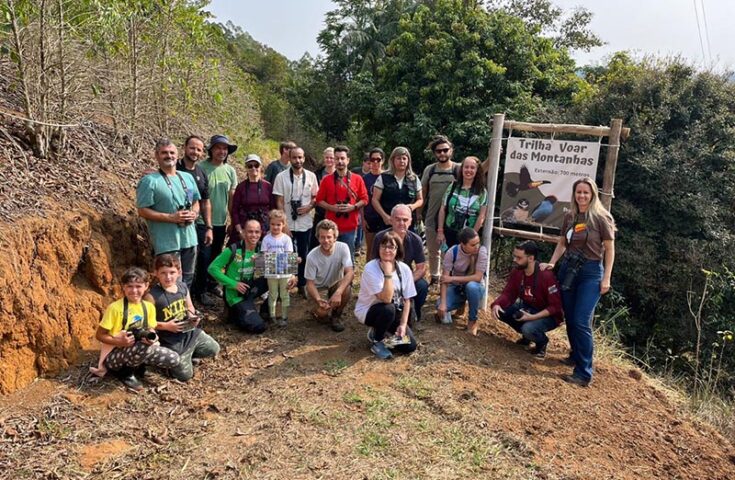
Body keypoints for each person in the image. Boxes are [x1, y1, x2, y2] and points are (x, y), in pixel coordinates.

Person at [540, 177, 616, 387]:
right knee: (571, 317)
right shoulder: (570, 216)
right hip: (569, 269)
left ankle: (584, 372)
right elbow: (562, 242)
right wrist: (553, 263)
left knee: (582, 320)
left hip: (590, 272)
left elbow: (609, 249)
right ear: (574, 194)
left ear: (593, 194)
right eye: (578, 192)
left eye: (586, 192)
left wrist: (606, 277)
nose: (582, 196)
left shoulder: (602, 218)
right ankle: (575, 354)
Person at [92, 267, 180, 390]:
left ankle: (138, 365)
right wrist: (119, 342)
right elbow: (99, 335)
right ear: (123, 287)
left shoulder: (148, 307)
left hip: (139, 349)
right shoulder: (115, 308)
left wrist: (152, 338)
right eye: (130, 286)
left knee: (174, 359)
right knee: (142, 347)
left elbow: (151, 328)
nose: (134, 291)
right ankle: (126, 373)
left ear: (146, 286)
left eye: (138, 286)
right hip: (115, 355)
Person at [136, 138, 200, 288]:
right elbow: (142, 210)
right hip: (167, 242)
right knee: (171, 281)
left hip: (190, 239)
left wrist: (194, 214)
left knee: (188, 278)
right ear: (157, 155)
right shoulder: (149, 181)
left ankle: (186, 309)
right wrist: (171, 218)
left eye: (172, 153)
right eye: (164, 153)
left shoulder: (187, 178)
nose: (169, 156)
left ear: (177, 155)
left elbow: (196, 201)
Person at [145, 255, 220, 381]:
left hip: (189, 333)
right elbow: (147, 323)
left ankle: (189, 355)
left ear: (179, 272)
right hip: (171, 341)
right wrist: (166, 326)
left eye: (172, 272)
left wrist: (193, 317)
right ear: (156, 273)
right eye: (163, 273)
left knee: (214, 349)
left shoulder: (182, 287)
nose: (168, 277)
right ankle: (167, 364)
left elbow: (189, 306)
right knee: (185, 376)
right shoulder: (152, 296)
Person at [491, 241, 563, 358]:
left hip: (548, 315)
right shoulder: (517, 272)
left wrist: (533, 317)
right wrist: (497, 304)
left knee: (528, 328)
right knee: (501, 311)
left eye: (519, 257)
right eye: (514, 256)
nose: (515, 260)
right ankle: (527, 336)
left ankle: (541, 342)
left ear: (531, 258)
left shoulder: (546, 275)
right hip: (528, 308)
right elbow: (509, 293)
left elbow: (555, 307)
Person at [355, 231, 418, 360]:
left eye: (391, 247)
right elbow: (386, 298)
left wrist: (402, 324)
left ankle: (386, 340)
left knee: (410, 345)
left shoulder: (404, 269)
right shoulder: (371, 268)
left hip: (395, 312)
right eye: (383, 246)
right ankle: (377, 340)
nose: (387, 250)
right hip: (371, 311)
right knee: (388, 308)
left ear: (397, 250)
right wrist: (388, 273)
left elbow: (407, 299)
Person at [208, 219, 278, 334]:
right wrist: (233, 284)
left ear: (261, 233)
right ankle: (236, 313)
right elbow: (212, 268)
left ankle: (265, 311)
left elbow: (280, 265)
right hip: (236, 294)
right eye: (250, 232)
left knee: (282, 283)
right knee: (259, 327)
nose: (254, 235)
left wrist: (292, 276)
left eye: (257, 232)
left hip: (251, 288)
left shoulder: (262, 248)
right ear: (244, 232)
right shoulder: (233, 249)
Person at [193, 135, 238, 304]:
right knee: (203, 256)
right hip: (203, 222)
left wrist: (233, 220)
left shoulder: (230, 171)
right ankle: (200, 290)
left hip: (221, 221)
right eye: (218, 148)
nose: (222, 151)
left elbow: (231, 197)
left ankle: (212, 284)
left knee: (216, 255)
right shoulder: (201, 168)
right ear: (211, 150)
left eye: (225, 149)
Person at [370, 204, 428, 321]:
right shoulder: (380, 237)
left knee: (422, 285)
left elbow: (421, 268)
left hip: (407, 277)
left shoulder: (415, 239)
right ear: (391, 220)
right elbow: (374, 265)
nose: (401, 223)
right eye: (398, 219)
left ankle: (415, 311)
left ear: (410, 221)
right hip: (384, 276)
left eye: (405, 220)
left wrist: (406, 282)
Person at [273, 146, 318, 295]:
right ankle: (286, 285)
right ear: (290, 158)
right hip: (288, 224)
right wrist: (283, 223)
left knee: (304, 255)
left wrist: (309, 208)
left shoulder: (311, 176)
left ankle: (303, 284)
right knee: (287, 255)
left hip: (305, 222)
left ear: (304, 158)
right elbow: (279, 201)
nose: (297, 160)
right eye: (294, 157)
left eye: (300, 157)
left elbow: (315, 197)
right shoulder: (281, 177)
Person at [315, 145, 368, 261]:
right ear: (334, 160)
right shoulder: (326, 180)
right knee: (330, 259)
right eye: (337, 158)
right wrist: (331, 207)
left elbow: (365, 199)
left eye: (342, 158)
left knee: (348, 259)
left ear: (348, 160)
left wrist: (353, 207)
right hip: (330, 228)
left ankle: (348, 279)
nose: (340, 161)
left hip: (350, 227)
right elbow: (319, 200)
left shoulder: (357, 179)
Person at [421, 136, 461, 286]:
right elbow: (423, 192)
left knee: (448, 253)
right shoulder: (430, 170)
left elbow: (478, 171)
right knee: (432, 250)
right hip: (431, 217)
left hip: (451, 219)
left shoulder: (459, 169)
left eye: (445, 150)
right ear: (434, 153)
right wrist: (418, 213)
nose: (442, 153)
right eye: (439, 151)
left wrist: (493, 156)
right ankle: (435, 277)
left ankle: (447, 279)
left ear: (451, 150)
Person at [304, 219, 354, 332]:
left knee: (346, 288)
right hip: (319, 288)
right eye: (322, 237)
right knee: (322, 313)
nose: (326, 240)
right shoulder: (312, 256)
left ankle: (336, 316)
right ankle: (319, 312)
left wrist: (338, 292)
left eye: (329, 237)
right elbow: (310, 283)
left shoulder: (343, 247)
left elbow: (350, 272)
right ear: (318, 238)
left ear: (335, 237)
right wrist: (317, 299)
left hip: (335, 285)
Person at [437, 227, 489, 334]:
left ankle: (472, 320)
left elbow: (477, 277)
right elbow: (444, 279)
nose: (477, 247)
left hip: (476, 287)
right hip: (457, 287)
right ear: (463, 244)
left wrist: (452, 278)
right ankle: (460, 305)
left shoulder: (482, 252)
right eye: (473, 245)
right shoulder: (452, 252)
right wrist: (442, 304)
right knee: (440, 306)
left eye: (478, 243)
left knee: (471, 287)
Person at [437, 156, 488, 248]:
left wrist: (473, 237)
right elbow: (442, 209)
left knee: (465, 262)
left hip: (468, 236)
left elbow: (481, 216)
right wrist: (440, 231)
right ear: (462, 169)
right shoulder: (453, 186)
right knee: (448, 261)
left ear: (477, 171)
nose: (469, 170)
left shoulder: (481, 191)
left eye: (472, 168)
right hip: (449, 231)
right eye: (466, 167)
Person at [371, 146, 424, 234]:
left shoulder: (414, 179)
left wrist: (412, 206)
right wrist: (384, 216)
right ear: (393, 160)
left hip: (407, 225)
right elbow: (375, 200)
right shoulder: (383, 177)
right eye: (398, 158)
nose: (402, 161)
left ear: (408, 161)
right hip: (387, 223)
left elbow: (420, 199)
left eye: (404, 158)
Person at [260, 210, 298, 327]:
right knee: (272, 294)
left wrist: (292, 273)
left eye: (278, 224)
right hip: (271, 273)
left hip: (284, 273)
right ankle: (272, 316)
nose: (275, 227)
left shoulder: (286, 239)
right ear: (269, 224)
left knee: (284, 294)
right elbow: (264, 255)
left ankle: (284, 317)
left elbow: (289, 256)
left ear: (283, 225)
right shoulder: (266, 239)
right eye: (273, 224)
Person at [231, 153, 275, 238]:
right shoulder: (241, 187)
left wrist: (271, 228)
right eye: (250, 166)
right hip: (245, 227)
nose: (253, 168)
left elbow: (273, 209)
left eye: (256, 165)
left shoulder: (268, 186)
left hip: (264, 228)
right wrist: (239, 230)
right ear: (246, 168)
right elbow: (234, 210)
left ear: (260, 167)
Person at [361, 148, 385, 259]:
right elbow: (360, 200)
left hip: (385, 218)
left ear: (383, 160)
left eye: (378, 159)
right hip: (369, 217)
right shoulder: (364, 179)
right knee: (370, 250)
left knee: (385, 249)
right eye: (372, 159)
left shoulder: (388, 177)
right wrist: (362, 219)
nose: (375, 162)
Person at [312, 147, 336, 250]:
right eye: (327, 157)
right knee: (316, 243)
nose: (329, 160)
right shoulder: (316, 174)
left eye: (331, 157)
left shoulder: (342, 175)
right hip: (320, 213)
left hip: (336, 214)